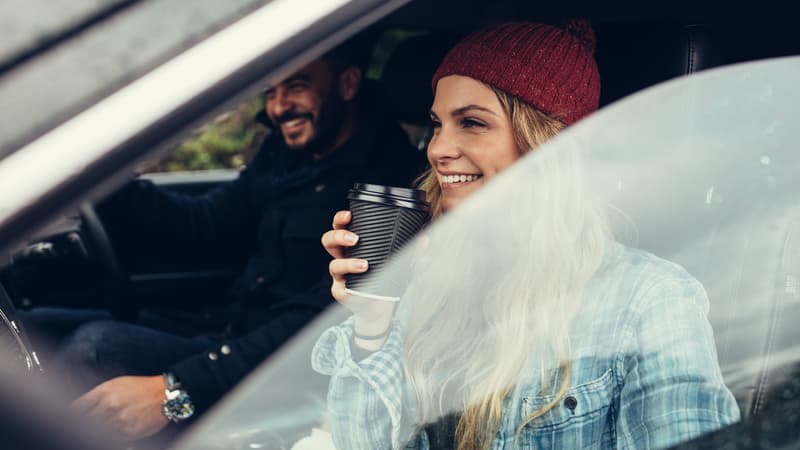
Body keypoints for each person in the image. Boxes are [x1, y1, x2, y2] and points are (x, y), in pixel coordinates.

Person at [313, 21, 740, 450]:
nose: (438, 148)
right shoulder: (424, 275)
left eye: (473, 123)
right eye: (438, 123)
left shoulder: (648, 299)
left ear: (547, 144)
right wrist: (371, 328)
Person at [21, 35, 424, 441]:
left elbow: (320, 325)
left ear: (348, 84)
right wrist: (104, 181)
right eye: (271, 92)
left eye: (297, 87)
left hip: (286, 376)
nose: (279, 107)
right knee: (34, 328)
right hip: (228, 331)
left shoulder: (388, 190)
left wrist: (177, 388)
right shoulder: (286, 155)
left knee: (96, 348)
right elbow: (205, 225)